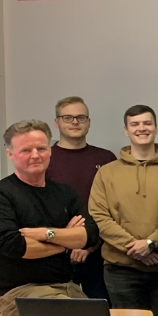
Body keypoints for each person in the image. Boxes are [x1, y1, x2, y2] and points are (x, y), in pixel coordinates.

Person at [0, 120, 100, 316]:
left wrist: (45, 234)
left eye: (41, 148)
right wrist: (65, 240)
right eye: (26, 150)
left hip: (67, 287)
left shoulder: (65, 193)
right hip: (20, 292)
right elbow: (16, 247)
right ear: (10, 154)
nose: (35, 155)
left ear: (50, 151)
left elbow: (90, 235)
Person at [90, 105, 158, 316]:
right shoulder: (107, 172)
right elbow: (99, 215)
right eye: (135, 124)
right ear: (126, 130)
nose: (141, 128)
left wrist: (152, 242)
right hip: (120, 270)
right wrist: (136, 249)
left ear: (156, 128)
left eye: (147, 123)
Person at [47, 96, 116, 300]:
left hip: (99, 251)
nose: (75, 122)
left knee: (100, 313)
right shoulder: (45, 159)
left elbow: (114, 208)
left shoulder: (106, 159)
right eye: (68, 117)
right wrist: (69, 241)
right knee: (61, 315)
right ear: (57, 122)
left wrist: (89, 244)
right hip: (55, 252)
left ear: (89, 122)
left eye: (81, 117)